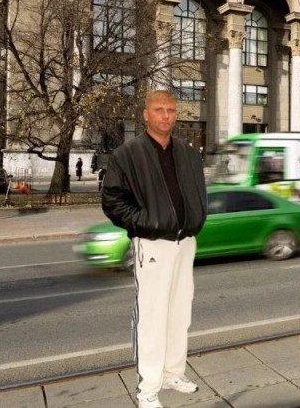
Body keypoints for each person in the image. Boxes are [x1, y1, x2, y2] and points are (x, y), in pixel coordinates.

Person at [101, 90, 208, 408]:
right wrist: (145, 222)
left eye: (171, 110)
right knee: (152, 315)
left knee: (180, 312)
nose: (166, 115)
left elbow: (199, 193)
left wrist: (196, 219)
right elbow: (112, 200)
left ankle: (173, 373)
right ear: (145, 114)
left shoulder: (188, 153)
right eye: (159, 110)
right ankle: (148, 388)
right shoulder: (128, 154)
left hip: (185, 242)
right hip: (152, 244)